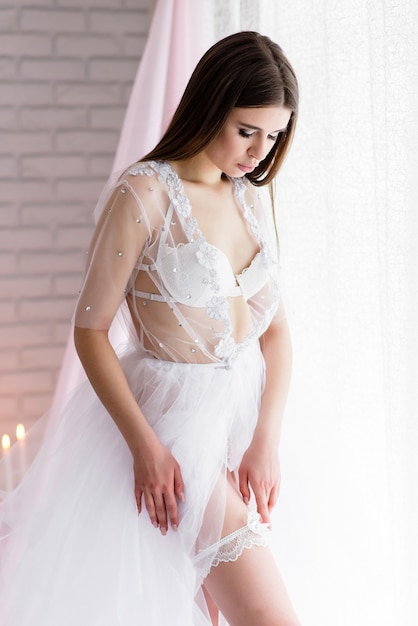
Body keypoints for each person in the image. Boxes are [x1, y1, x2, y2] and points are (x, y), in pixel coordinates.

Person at [0, 31, 300, 626]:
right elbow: (90, 331)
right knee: (269, 616)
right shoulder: (143, 194)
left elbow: (276, 332)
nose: (259, 152)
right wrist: (146, 447)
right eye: (247, 131)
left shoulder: (251, 197)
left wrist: (266, 438)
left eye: (273, 136)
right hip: (174, 426)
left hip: (240, 425)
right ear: (211, 104)